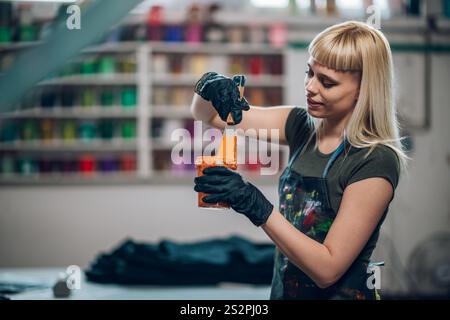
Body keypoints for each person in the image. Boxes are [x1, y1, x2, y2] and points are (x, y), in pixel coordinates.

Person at [191, 21, 407, 300]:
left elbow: (328, 269)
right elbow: (208, 116)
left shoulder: (374, 160)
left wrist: (256, 206)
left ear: (363, 89)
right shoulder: (300, 125)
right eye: (310, 72)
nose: (310, 87)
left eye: (327, 82)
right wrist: (207, 87)